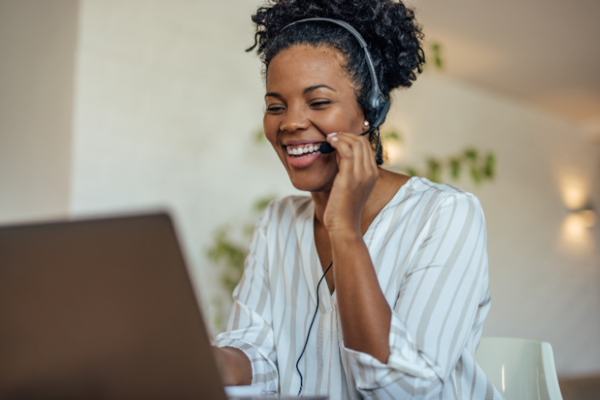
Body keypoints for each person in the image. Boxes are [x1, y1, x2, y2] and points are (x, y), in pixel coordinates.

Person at [212, 0, 502, 398]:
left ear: (371, 112)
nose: (291, 122)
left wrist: (344, 229)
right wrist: (200, 359)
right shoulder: (277, 221)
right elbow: (260, 356)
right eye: (275, 107)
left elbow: (405, 389)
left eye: (318, 102)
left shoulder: (444, 214)